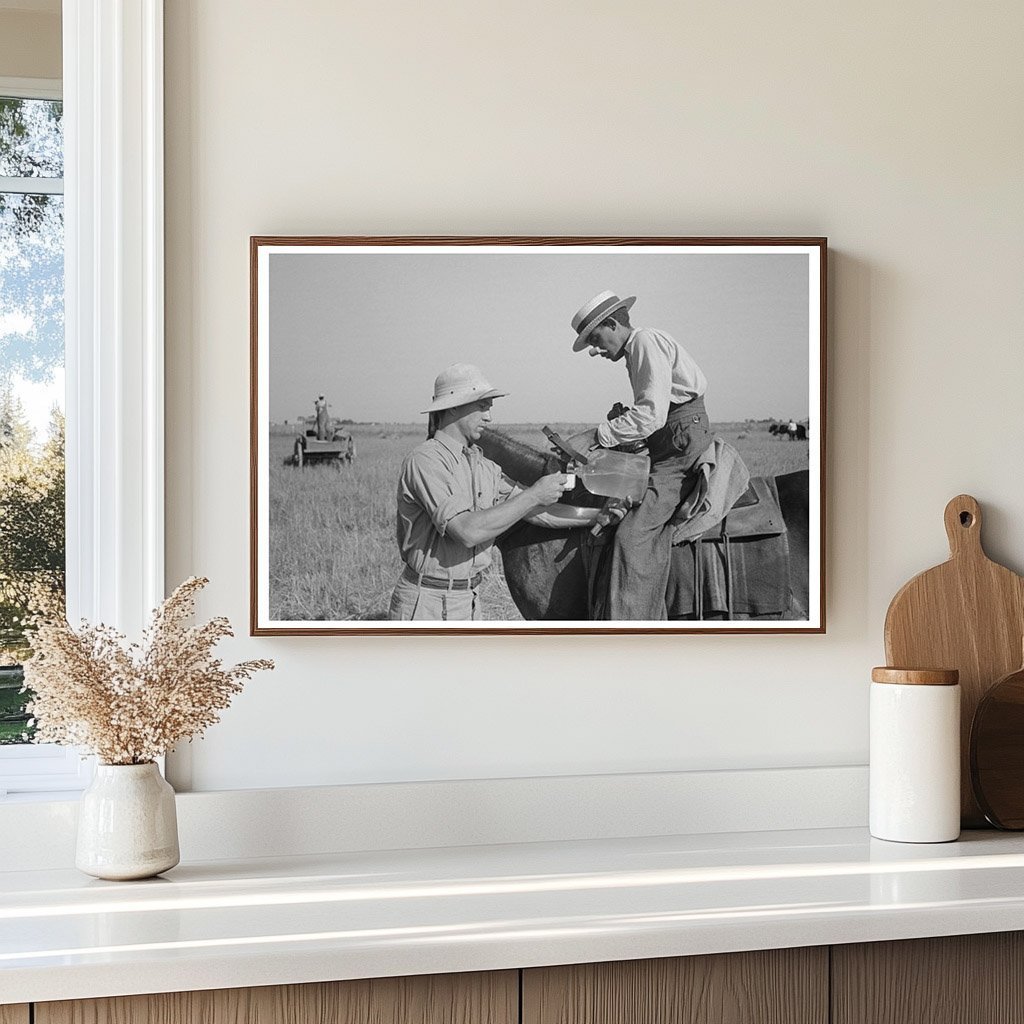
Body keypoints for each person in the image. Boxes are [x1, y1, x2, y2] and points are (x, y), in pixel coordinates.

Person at [568, 290, 713, 619]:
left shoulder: (645, 342)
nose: (595, 350)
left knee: (632, 537)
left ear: (612, 323)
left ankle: (634, 625)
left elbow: (651, 415)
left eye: (596, 339)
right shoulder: (637, 350)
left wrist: (594, 435)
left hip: (679, 448)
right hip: (670, 441)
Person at [389, 363, 568, 621]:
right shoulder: (425, 461)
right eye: (483, 407)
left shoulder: (484, 466)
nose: (489, 417)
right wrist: (534, 495)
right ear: (453, 406)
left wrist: (597, 517)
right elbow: (467, 532)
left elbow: (538, 512)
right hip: (426, 604)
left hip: (469, 600)